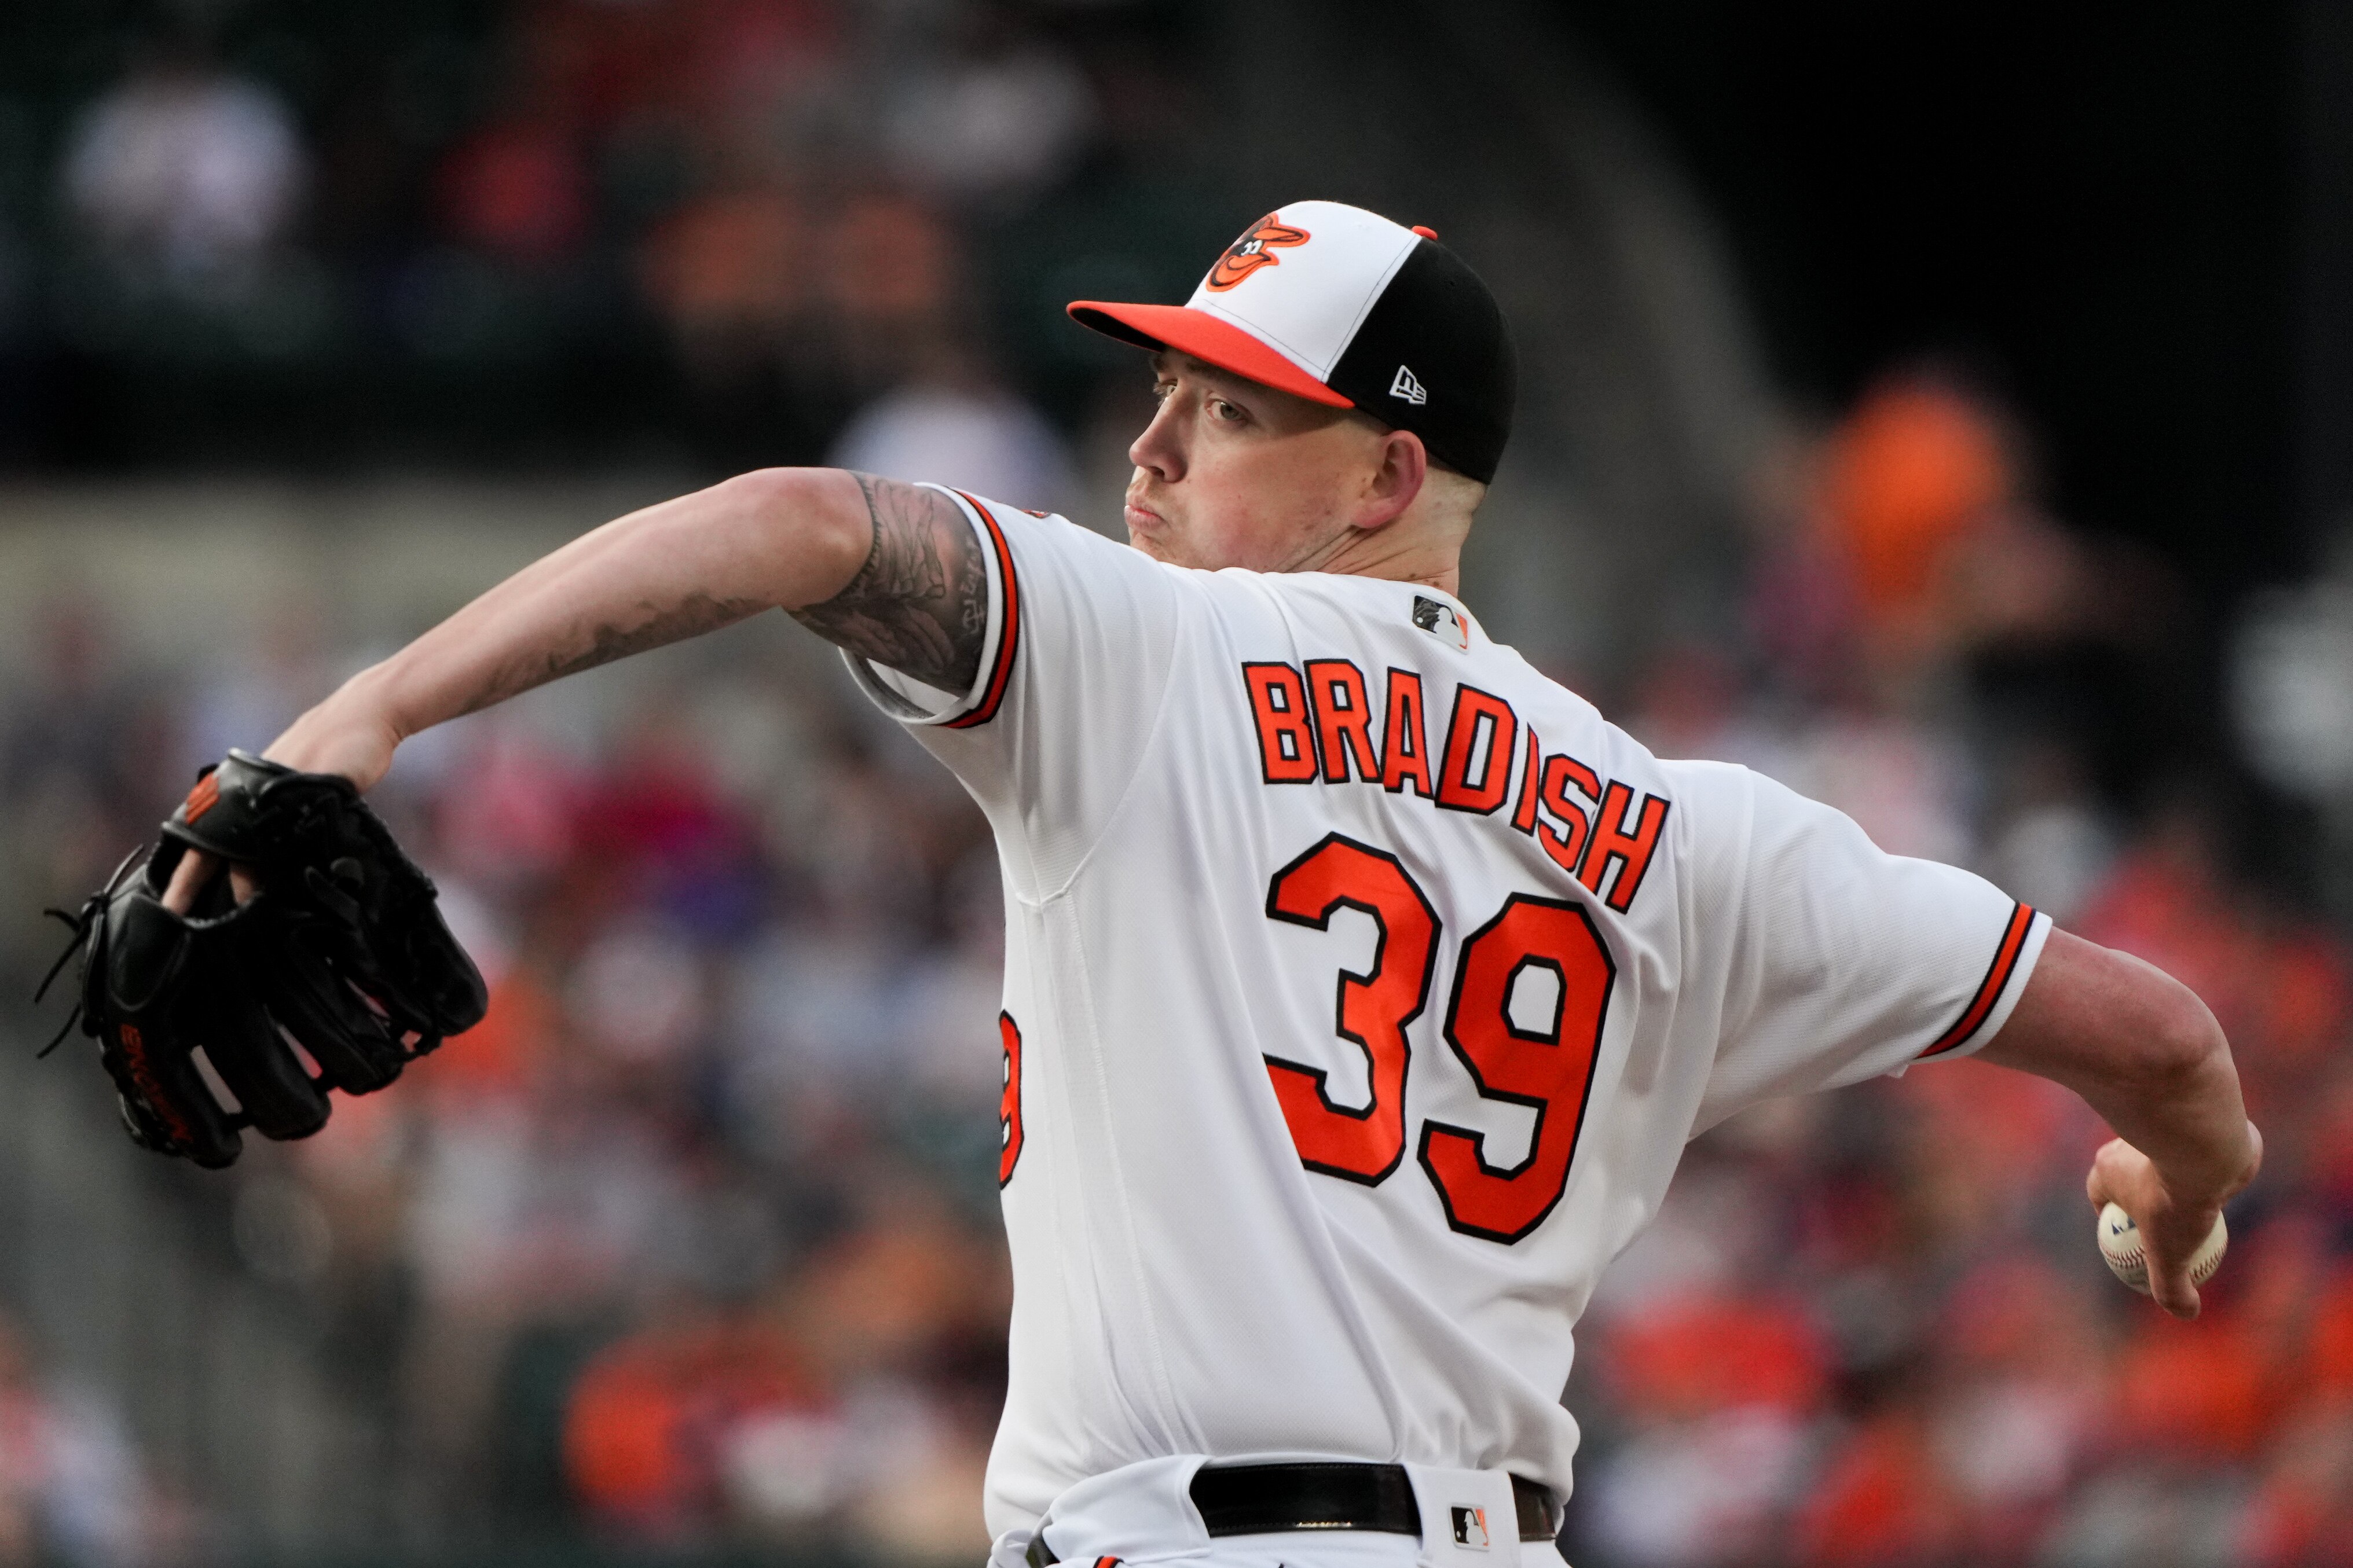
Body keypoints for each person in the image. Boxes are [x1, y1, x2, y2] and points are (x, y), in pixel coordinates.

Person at [164, 202, 2259, 1568]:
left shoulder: (1156, 654)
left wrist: (370, 711)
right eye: (1157, 397)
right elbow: (2159, 1037)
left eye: (1228, 409)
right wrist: (2180, 1179)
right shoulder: (1700, 830)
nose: (1153, 452)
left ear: (1382, 481)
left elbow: (801, 522)